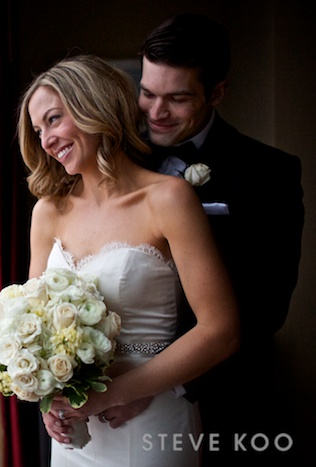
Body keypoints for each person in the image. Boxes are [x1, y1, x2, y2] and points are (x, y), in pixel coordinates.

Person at [18, 54, 240, 466]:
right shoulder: (47, 212)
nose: (45, 140)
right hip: (74, 438)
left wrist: (120, 392)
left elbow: (220, 330)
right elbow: (37, 330)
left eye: (53, 120)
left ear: (93, 106)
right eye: (37, 130)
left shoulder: (168, 199)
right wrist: (47, 401)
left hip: (149, 423)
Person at [105, 13, 305, 463]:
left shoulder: (270, 173)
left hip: (222, 401)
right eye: (147, 92)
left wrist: (161, 385)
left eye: (177, 99)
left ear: (216, 93)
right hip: (111, 394)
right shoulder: (115, 162)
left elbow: (265, 308)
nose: (155, 113)